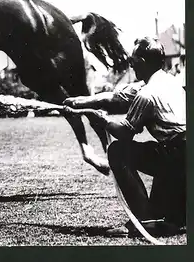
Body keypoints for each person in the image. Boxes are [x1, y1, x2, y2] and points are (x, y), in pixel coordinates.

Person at [64, 37, 186, 238]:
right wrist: (82, 101)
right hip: (182, 155)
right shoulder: (170, 81)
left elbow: (124, 132)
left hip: (178, 156)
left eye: (133, 61)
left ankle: (146, 221)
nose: (131, 64)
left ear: (144, 63)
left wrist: (101, 120)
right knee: (172, 217)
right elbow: (115, 97)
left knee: (118, 151)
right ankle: (167, 215)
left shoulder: (147, 93)